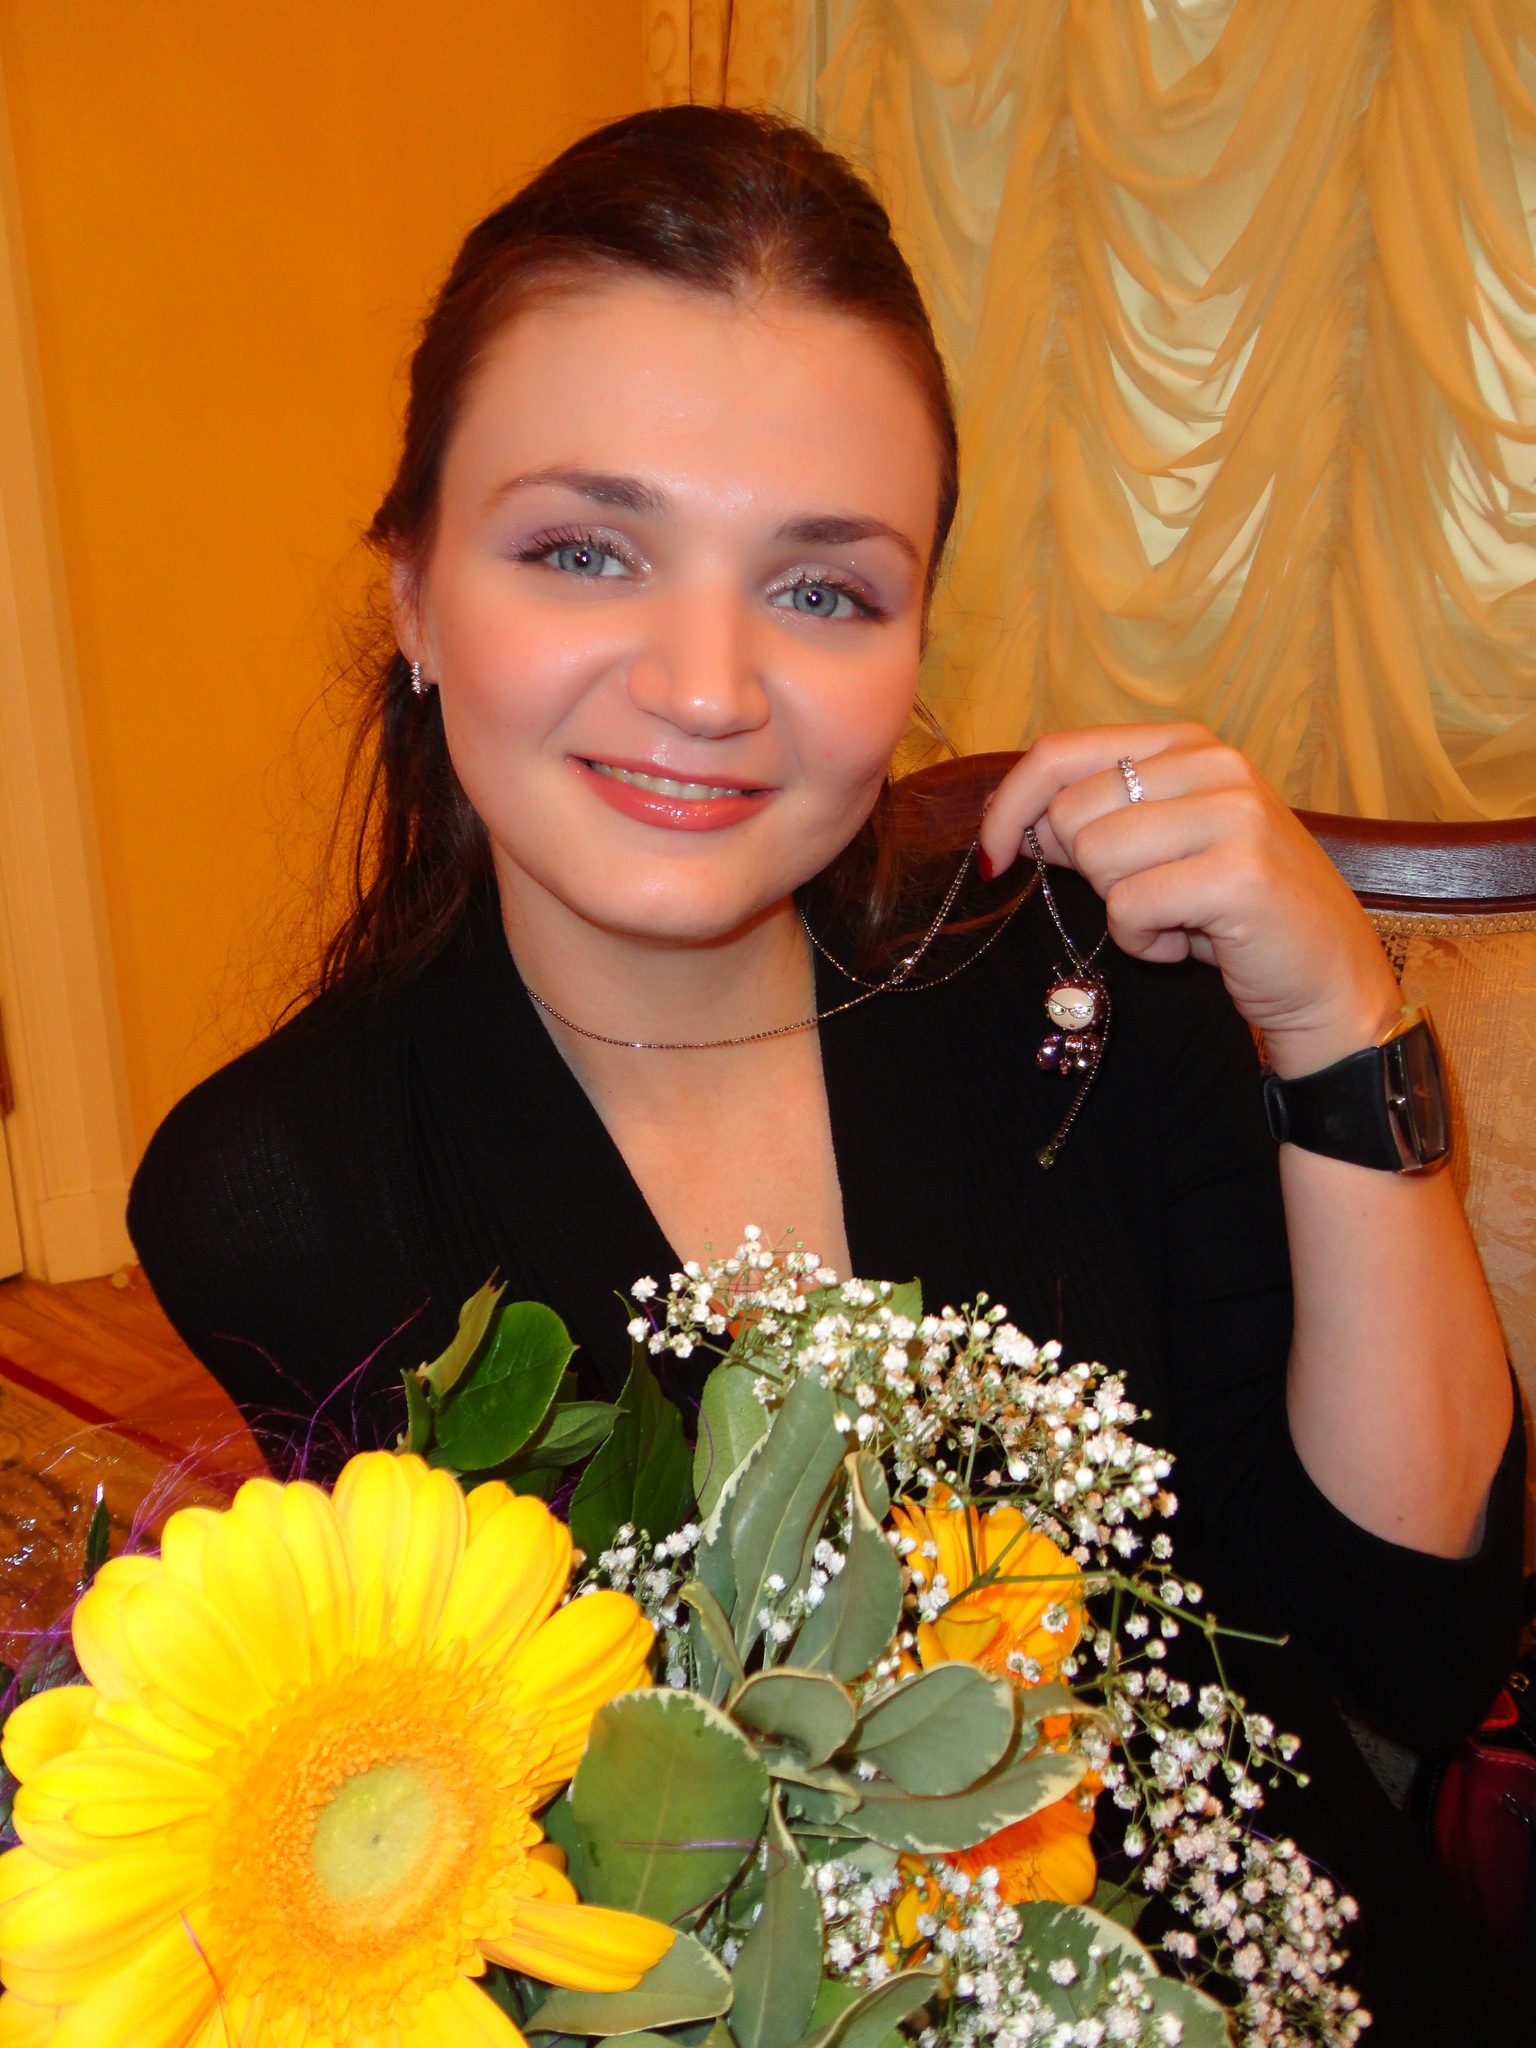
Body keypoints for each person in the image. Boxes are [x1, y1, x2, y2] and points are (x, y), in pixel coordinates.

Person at [128, 106, 1528, 2038]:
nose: (707, 687)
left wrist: (1338, 1024)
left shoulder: (1080, 995)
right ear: (417, 599)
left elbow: (1410, 1648)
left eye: (822, 589)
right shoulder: (281, 1186)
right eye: (585, 550)